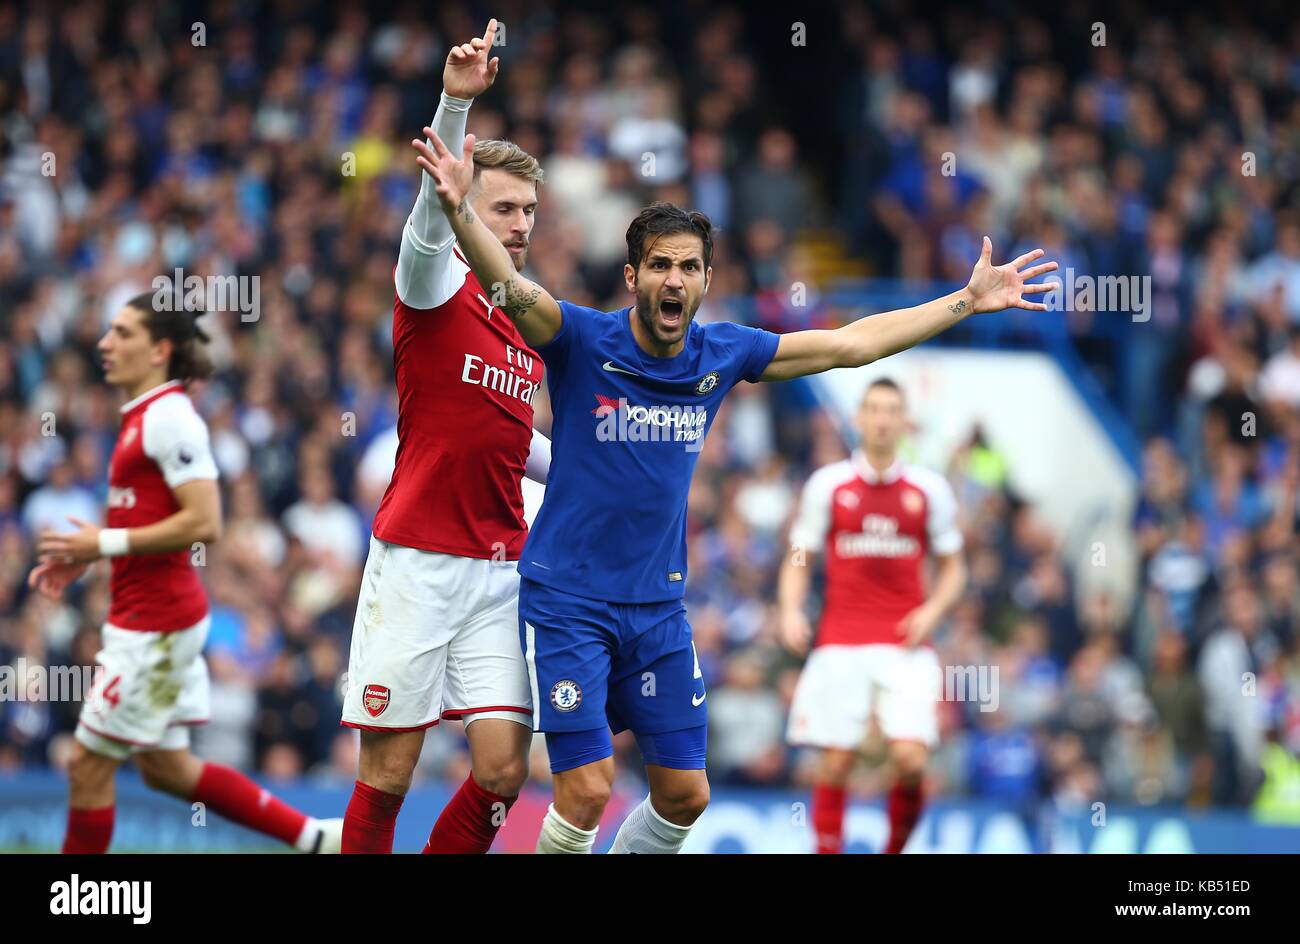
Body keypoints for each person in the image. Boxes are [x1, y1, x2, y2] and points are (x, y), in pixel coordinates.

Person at [414, 112, 1055, 853]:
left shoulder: (724, 353)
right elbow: (506, 283)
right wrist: (458, 208)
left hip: (657, 610)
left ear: (708, 280)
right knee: (587, 788)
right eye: (659, 265)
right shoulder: (582, 340)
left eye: (688, 267)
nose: (674, 279)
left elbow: (849, 345)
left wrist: (966, 302)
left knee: (686, 796)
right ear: (633, 276)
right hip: (569, 602)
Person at [338, 19, 553, 854]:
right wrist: (455, 106)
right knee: (386, 776)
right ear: (467, 200)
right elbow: (431, 227)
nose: (523, 223)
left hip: (501, 569)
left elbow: (517, 444)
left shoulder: (520, 319)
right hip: (418, 562)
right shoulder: (431, 287)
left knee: (503, 771)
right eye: (505, 206)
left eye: (530, 209)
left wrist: (594, 472)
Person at [31, 293, 342, 854]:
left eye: (122, 333)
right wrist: (90, 553)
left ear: (159, 349)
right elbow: (153, 519)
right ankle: (315, 838)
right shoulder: (142, 417)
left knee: (85, 763)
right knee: (167, 770)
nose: (105, 343)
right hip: (148, 620)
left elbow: (205, 521)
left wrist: (102, 540)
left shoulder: (170, 418)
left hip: (155, 628)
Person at [780, 377, 967, 853]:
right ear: (858, 418)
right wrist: (789, 607)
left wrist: (934, 610)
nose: (882, 419)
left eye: (891, 410)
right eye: (873, 409)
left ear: (905, 422)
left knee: (909, 760)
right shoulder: (829, 485)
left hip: (905, 644)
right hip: (841, 641)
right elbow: (800, 554)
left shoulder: (929, 490)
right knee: (836, 762)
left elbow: (953, 569)